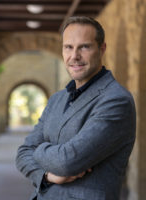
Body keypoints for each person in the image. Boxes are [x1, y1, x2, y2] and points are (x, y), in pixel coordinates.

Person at [16, 16, 136, 200]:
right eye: (68, 47)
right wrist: (47, 176)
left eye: (84, 47)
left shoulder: (116, 101)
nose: (74, 56)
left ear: (102, 49)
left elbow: (67, 162)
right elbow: (23, 153)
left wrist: (38, 149)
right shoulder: (57, 99)